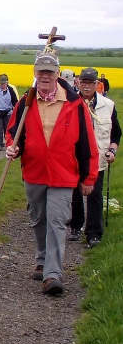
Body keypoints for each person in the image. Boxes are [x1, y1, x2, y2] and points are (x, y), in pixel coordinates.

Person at [5, 52, 99, 296]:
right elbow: (14, 132)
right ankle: (42, 258)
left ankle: (53, 274)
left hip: (63, 174)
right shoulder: (27, 101)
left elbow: (87, 144)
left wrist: (89, 178)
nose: (45, 76)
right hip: (34, 172)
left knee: (57, 222)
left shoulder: (74, 104)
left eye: (50, 72)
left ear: (58, 73)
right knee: (38, 220)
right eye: (40, 72)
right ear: (35, 74)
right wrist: (13, 148)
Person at [68, 67, 121, 247]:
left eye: (91, 83)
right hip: (74, 158)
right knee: (75, 193)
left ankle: (93, 233)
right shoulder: (70, 103)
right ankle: (75, 226)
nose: (87, 86)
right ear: (78, 83)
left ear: (97, 84)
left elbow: (116, 133)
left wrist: (112, 151)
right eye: (84, 82)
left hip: (98, 158)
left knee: (95, 195)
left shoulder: (108, 105)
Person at [0, 74, 18, 151]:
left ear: (7, 83)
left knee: (7, 129)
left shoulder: (11, 90)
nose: (2, 85)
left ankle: (8, 144)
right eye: (1, 83)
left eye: (4, 83)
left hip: (8, 112)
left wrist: (16, 110)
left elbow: (15, 101)